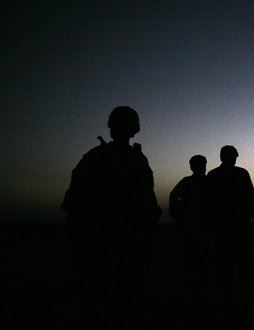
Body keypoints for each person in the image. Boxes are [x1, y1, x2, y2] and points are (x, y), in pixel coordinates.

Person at [62, 106, 162, 329]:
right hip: (104, 236)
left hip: (128, 235)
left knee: (123, 289)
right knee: (104, 292)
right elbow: (76, 200)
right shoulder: (99, 157)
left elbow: (148, 196)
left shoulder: (134, 158)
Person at [207, 145, 254, 321]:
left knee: (226, 267)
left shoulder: (213, 175)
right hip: (238, 228)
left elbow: (209, 204)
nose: (234, 159)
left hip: (224, 229)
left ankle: (230, 302)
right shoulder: (241, 174)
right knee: (243, 266)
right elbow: (251, 200)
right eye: (233, 156)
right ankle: (245, 301)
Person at [168, 155, 212, 327]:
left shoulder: (190, 182)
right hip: (195, 230)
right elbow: (173, 198)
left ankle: (193, 297)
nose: (204, 167)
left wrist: (177, 218)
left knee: (194, 264)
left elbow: (173, 198)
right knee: (195, 264)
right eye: (202, 164)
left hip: (196, 229)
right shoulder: (201, 182)